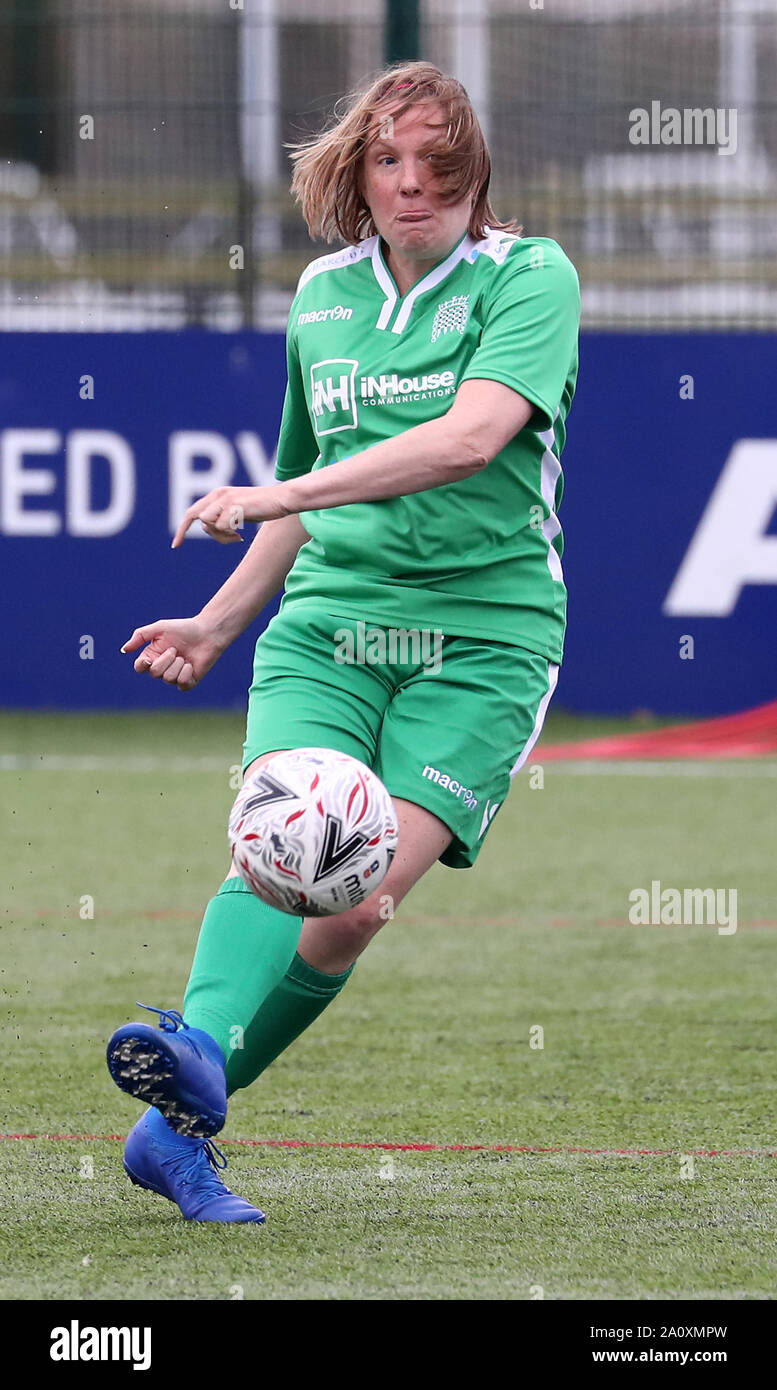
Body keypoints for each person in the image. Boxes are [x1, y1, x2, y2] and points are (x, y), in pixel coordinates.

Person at [106, 60, 580, 1223]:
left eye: (439, 164)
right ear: (357, 170)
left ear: (476, 175)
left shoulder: (531, 278)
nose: (412, 185)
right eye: (387, 161)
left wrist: (271, 497)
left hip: (484, 638)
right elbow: (309, 495)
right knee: (284, 836)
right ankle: (197, 1047)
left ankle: (170, 1135)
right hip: (329, 628)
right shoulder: (322, 296)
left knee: (354, 905)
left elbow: (469, 442)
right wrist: (219, 621)